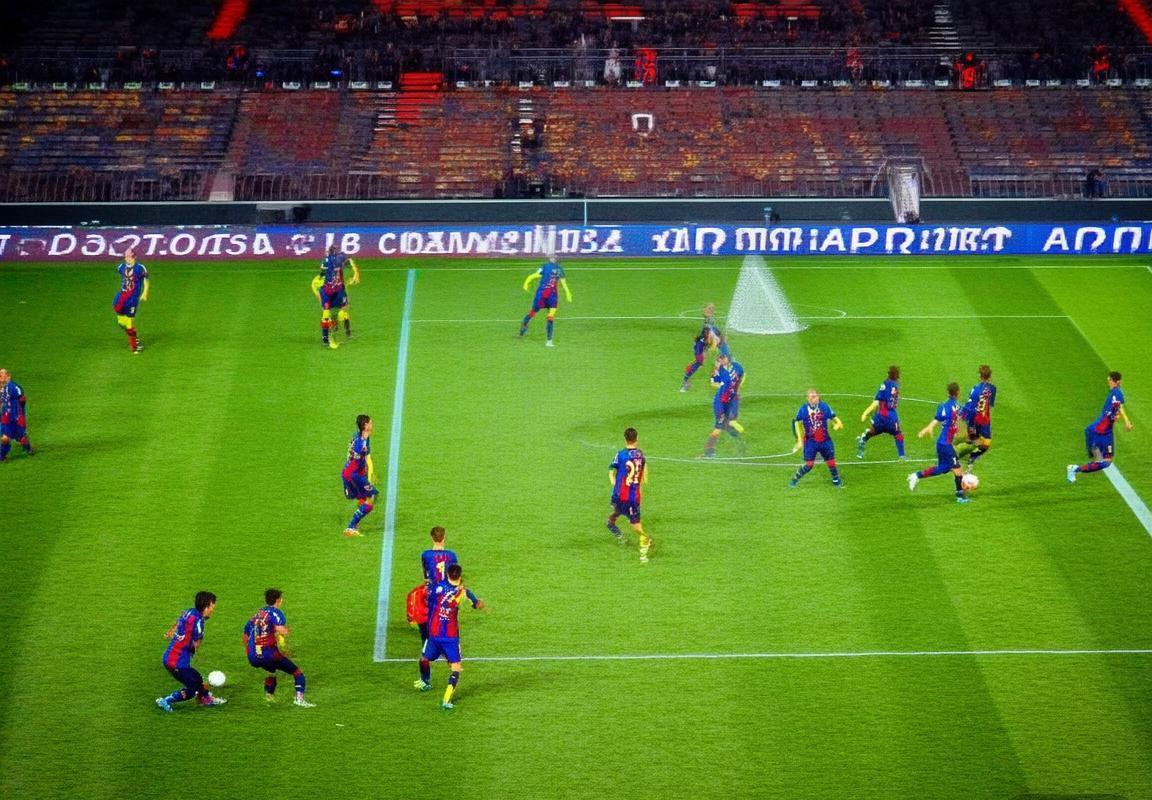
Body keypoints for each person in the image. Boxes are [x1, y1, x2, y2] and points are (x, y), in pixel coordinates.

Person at [416, 564, 486, 710]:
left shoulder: (436, 587)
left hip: (434, 634)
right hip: (450, 637)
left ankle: (425, 681)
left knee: (424, 658)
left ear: (447, 574)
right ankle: (446, 701)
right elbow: (476, 604)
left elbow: (427, 597)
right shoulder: (463, 592)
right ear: (460, 575)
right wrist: (480, 604)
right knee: (456, 668)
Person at [243, 588, 315, 708]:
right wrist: (285, 633)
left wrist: (253, 651)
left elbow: (245, 637)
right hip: (269, 653)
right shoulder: (276, 613)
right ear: (278, 600)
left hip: (252, 656)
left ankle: (269, 696)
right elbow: (280, 629)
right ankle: (299, 700)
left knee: (271, 671)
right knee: (297, 672)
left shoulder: (256, 615)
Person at [156, 591, 225, 712]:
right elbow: (196, 644)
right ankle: (165, 700)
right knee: (193, 688)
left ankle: (205, 698)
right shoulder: (199, 622)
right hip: (177, 663)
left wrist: (170, 632)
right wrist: (191, 649)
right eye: (212, 606)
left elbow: (179, 622)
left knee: (197, 678)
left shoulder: (189, 612)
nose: (212, 610)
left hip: (169, 657)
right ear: (206, 606)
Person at [907, 382, 968, 503]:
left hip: (943, 444)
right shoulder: (958, 407)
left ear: (948, 393)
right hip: (945, 445)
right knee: (957, 470)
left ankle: (916, 476)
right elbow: (963, 418)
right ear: (958, 393)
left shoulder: (944, 406)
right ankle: (960, 497)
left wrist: (927, 429)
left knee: (943, 469)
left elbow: (936, 420)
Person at [1068, 371, 1133, 482]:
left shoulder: (1115, 393)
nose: (1108, 382)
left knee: (1102, 461)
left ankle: (1077, 467)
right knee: (1105, 462)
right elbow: (1119, 408)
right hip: (1101, 431)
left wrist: (1121, 418)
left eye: (1110, 380)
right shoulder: (1116, 393)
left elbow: (1118, 408)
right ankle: (1075, 469)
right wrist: (1126, 421)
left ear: (1117, 382)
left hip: (1100, 430)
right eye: (1108, 380)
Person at [606, 427, 653, 563]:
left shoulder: (620, 455)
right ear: (637, 439)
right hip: (633, 496)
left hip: (619, 494)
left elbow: (611, 470)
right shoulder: (641, 455)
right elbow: (643, 473)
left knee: (618, 516)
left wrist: (614, 482)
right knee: (632, 522)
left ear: (625, 439)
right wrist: (643, 480)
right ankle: (639, 540)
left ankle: (644, 540)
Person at [790, 389, 844, 488]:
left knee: (831, 462)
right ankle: (795, 478)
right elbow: (796, 422)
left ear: (818, 397)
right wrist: (799, 440)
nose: (811, 399)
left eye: (814, 396)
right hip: (811, 441)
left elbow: (834, 418)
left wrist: (837, 424)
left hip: (825, 440)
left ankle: (836, 480)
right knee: (809, 465)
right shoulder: (803, 409)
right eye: (809, 397)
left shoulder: (824, 407)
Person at [311, 245, 361, 349]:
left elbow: (347, 260)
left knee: (342, 311)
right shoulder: (327, 268)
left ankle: (345, 331)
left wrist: (353, 268)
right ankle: (327, 338)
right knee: (328, 314)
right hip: (328, 291)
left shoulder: (335, 261)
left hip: (337, 290)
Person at [518, 255, 572, 347]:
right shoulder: (552, 268)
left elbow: (534, 275)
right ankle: (525, 325)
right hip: (545, 295)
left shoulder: (550, 267)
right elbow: (534, 276)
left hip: (548, 295)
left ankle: (549, 341)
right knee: (534, 312)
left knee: (549, 316)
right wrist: (526, 283)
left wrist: (568, 293)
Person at [341, 414, 378, 537]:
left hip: (350, 473)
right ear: (365, 426)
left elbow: (353, 457)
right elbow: (362, 459)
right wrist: (369, 477)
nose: (372, 425)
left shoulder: (360, 436)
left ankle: (355, 522)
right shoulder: (361, 443)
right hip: (353, 475)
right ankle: (351, 527)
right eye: (371, 423)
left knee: (367, 497)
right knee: (371, 499)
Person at [857, 366, 905, 460]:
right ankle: (902, 456)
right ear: (897, 376)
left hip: (881, 415)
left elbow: (876, 403)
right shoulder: (896, 386)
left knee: (874, 430)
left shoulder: (885, 384)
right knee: (898, 434)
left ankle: (864, 437)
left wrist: (865, 413)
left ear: (888, 374)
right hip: (891, 416)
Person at [702, 353, 745, 457]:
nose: (722, 360)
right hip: (720, 402)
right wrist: (717, 372)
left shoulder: (737, 367)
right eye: (720, 359)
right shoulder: (719, 371)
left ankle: (739, 439)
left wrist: (738, 388)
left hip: (732, 400)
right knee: (719, 426)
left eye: (723, 358)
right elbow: (713, 382)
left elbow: (742, 375)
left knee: (728, 423)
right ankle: (709, 450)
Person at [955, 365, 996, 469]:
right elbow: (990, 406)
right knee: (986, 442)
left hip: (973, 418)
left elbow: (970, 405)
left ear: (979, 376)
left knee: (973, 437)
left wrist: (962, 415)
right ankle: (973, 456)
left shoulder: (975, 389)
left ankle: (960, 448)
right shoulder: (992, 389)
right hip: (984, 419)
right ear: (990, 376)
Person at [679, 304, 724, 392]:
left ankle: (719, 377)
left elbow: (712, 339)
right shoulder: (707, 333)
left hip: (705, 344)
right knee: (699, 362)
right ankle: (685, 380)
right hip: (700, 345)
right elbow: (708, 340)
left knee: (718, 357)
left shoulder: (712, 330)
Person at [113, 247, 149, 354]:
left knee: (129, 323)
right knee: (121, 323)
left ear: (134, 257)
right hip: (121, 298)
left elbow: (146, 280)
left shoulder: (140, 268)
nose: (127, 258)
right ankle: (134, 337)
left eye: (129, 256)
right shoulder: (121, 267)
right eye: (126, 256)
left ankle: (135, 347)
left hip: (132, 299)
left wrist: (145, 292)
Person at [0, 369, 34, 461]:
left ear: (8, 376)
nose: (0, 376)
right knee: (5, 439)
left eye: (2, 374)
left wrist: (21, 416)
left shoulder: (15, 388)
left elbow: (22, 401)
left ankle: (28, 448)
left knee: (22, 438)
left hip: (17, 418)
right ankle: (2, 457)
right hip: (6, 419)